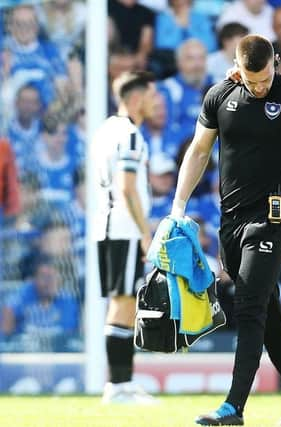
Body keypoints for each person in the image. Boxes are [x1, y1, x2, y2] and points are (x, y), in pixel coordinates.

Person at [169, 35, 281, 425]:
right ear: (237, 68)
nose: (259, 87)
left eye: (264, 78)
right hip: (232, 222)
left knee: (248, 308)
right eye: (251, 80)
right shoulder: (219, 95)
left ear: (276, 62)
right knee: (267, 312)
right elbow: (198, 150)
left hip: (272, 217)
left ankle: (234, 407)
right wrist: (178, 207)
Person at [90, 71, 157, 404]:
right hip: (124, 229)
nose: (155, 101)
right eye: (151, 95)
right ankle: (117, 386)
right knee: (123, 304)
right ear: (136, 98)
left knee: (123, 303)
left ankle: (122, 383)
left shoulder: (105, 131)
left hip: (106, 227)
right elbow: (127, 187)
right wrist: (146, 234)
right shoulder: (130, 134)